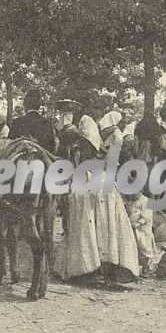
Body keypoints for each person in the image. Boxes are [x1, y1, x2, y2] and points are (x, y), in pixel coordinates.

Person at [54, 115, 140, 287]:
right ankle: (95, 266)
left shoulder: (91, 149)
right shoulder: (93, 149)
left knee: (94, 224)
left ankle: (94, 267)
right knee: (98, 225)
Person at [124, 192, 162, 273]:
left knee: (145, 248)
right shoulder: (131, 202)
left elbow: (147, 215)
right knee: (134, 248)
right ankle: (135, 267)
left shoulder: (145, 201)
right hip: (132, 229)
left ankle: (147, 268)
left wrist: (139, 222)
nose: (133, 194)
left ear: (141, 191)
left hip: (143, 230)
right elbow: (129, 212)